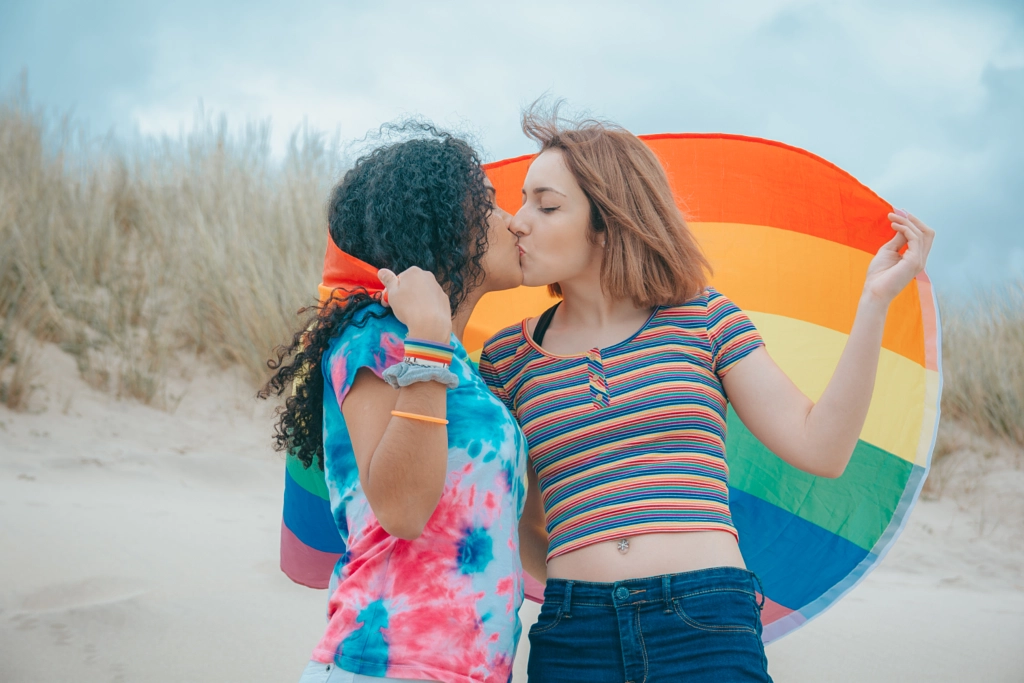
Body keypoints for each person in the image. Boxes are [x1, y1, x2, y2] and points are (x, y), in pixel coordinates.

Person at [478, 110, 935, 682]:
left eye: (546, 205)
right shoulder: (505, 359)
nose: (520, 222)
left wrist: (875, 302)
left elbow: (823, 449)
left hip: (704, 620)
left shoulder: (704, 320)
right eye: (522, 203)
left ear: (608, 220)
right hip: (574, 633)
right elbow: (515, 516)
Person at [260, 124, 528, 683]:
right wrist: (428, 334)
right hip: (386, 664)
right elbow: (404, 511)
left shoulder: (467, 373)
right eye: (491, 206)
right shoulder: (377, 334)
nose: (513, 222)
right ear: (444, 229)